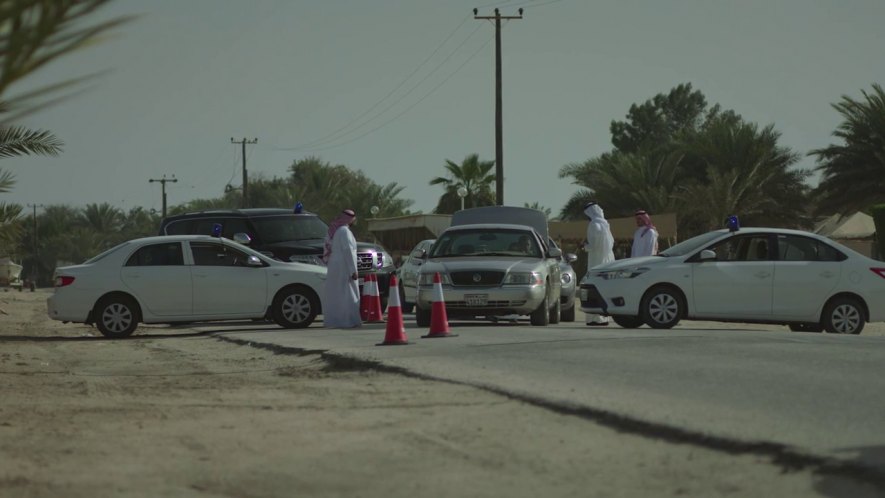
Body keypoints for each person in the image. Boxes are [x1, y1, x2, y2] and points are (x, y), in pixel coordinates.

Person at [321, 209, 362, 328]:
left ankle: (335, 320)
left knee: (337, 294)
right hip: (343, 266)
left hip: (335, 265)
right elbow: (348, 251)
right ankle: (347, 320)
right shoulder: (344, 231)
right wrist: (353, 270)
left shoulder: (338, 230)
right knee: (347, 294)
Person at [583, 202, 614, 326]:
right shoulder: (605, 224)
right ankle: (604, 318)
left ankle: (594, 319)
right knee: (605, 288)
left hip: (596, 261)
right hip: (607, 260)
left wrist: (584, 247)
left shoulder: (593, 224)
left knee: (593, 288)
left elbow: (593, 246)